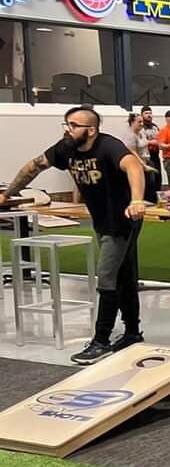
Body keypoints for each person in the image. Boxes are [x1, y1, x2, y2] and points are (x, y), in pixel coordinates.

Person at [0, 106, 147, 363]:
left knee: (107, 277)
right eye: (66, 124)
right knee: (123, 274)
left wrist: (136, 200)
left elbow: (134, 166)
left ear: (90, 130)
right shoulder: (66, 148)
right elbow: (33, 166)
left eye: (73, 125)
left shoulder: (108, 146)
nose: (68, 129)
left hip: (122, 220)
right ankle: (133, 332)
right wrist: (7, 193)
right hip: (102, 220)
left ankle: (101, 340)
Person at [124, 112, 160, 202]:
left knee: (152, 186)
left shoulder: (142, 132)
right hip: (138, 164)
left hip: (147, 160)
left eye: (142, 122)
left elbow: (146, 145)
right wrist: (143, 165)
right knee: (143, 187)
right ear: (132, 122)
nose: (141, 124)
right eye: (139, 122)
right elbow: (132, 152)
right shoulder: (130, 136)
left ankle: (151, 205)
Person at [139, 105, 161, 181]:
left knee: (158, 178)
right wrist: (150, 142)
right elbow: (138, 141)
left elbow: (160, 139)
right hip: (145, 156)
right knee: (150, 179)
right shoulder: (140, 127)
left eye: (150, 113)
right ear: (142, 115)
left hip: (155, 155)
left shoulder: (155, 127)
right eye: (146, 113)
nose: (149, 115)